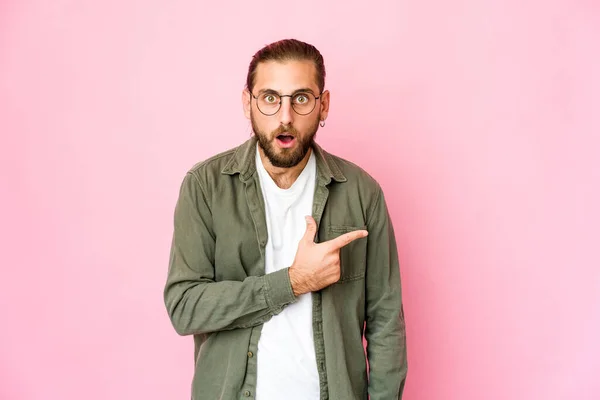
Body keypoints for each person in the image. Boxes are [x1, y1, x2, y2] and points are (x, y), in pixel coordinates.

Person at [164, 38, 407, 400]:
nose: (285, 116)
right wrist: (292, 282)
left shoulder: (361, 192)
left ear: (323, 106)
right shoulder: (205, 187)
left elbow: (386, 321)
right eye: (270, 98)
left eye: (302, 98)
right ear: (248, 103)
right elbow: (185, 307)